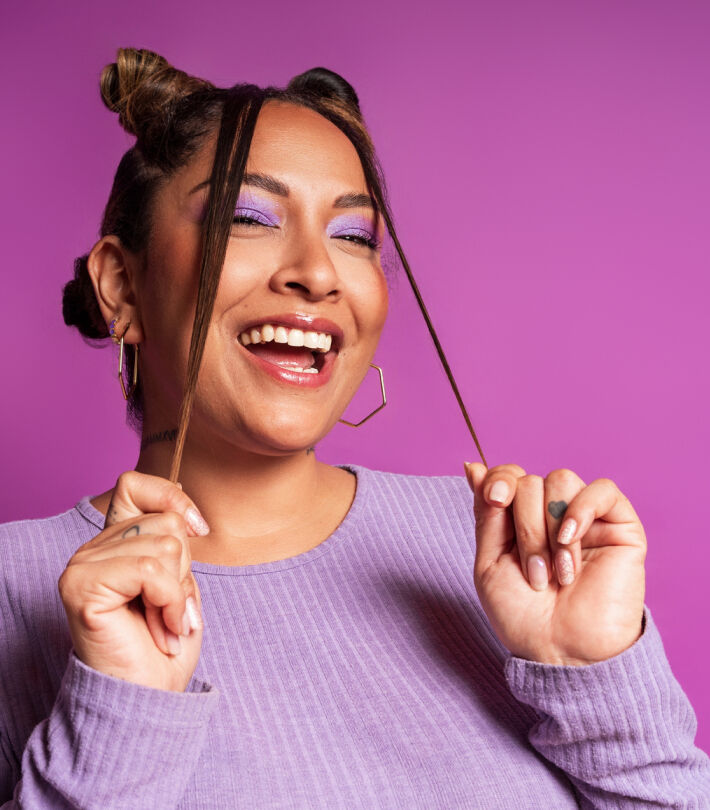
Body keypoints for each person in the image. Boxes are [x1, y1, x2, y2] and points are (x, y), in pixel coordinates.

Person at [0, 47, 708, 809]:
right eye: (248, 217)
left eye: (355, 236)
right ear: (121, 285)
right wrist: (120, 719)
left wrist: (592, 675)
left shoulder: (496, 549)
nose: (319, 272)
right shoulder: (20, 591)